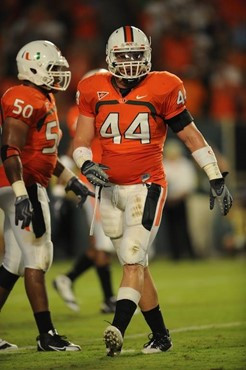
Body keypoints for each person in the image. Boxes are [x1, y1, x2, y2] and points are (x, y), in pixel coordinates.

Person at [72, 26, 233, 356]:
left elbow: (190, 136)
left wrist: (215, 176)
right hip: (110, 191)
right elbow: (80, 139)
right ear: (109, 57)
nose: (130, 63)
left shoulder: (164, 85)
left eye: (136, 55)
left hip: (147, 187)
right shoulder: (92, 86)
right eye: (124, 56)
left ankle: (116, 328)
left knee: (132, 258)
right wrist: (85, 164)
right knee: (137, 264)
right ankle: (161, 336)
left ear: (147, 56)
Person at [0, 40, 94, 351]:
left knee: (14, 261)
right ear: (33, 68)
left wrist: (71, 180)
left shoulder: (44, 97)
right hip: (19, 184)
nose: (58, 75)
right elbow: (9, 149)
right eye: (52, 69)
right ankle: (46, 336)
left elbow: (44, 156)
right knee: (38, 257)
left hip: (25, 181)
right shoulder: (24, 96)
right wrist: (21, 194)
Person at [53, 92, 116, 314]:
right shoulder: (82, 113)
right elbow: (75, 146)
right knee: (102, 243)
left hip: (107, 182)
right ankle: (108, 299)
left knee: (103, 243)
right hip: (92, 183)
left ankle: (67, 279)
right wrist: (62, 186)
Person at [163, 139, 198, 260]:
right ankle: (175, 255)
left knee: (184, 227)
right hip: (167, 201)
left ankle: (190, 253)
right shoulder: (163, 164)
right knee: (170, 229)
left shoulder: (185, 164)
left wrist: (179, 196)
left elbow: (190, 184)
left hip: (181, 200)